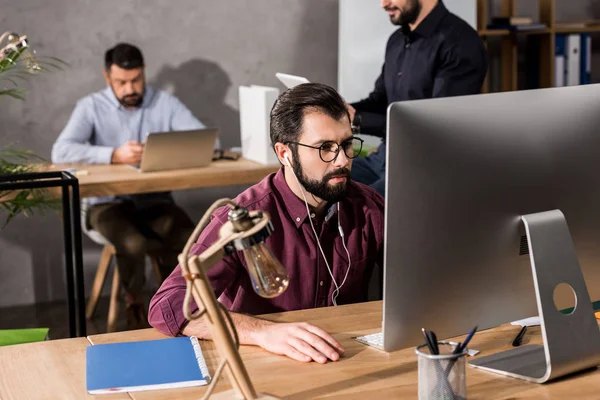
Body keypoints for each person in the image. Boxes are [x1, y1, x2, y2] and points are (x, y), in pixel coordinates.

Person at [149, 83, 384, 364]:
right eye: (325, 148)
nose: (342, 160)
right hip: (267, 367)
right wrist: (263, 332)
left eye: (346, 144)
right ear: (285, 153)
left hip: (345, 359)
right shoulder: (244, 218)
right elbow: (168, 306)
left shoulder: (368, 206)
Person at [52, 43, 211, 329]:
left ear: (144, 72)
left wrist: (165, 151)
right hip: (107, 205)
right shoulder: (91, 107)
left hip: (155, 202)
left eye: (136, 80)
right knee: (133, 242)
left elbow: (207, 142)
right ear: (107, 77)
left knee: (189, 236)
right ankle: (135, 312)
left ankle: (179, 308)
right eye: (121, 82)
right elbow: (60, 151)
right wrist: (113, 154)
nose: (130, 89)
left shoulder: (164, 103)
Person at [349, 0, 488, 196]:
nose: (383, 4)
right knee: (312, 175)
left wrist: (357, 120)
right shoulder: (396, 40)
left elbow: (434, 127)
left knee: (360, 205)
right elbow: (380, 101)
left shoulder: (460, 42)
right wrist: (339, 110)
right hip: (384, 157)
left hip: (425, 167)